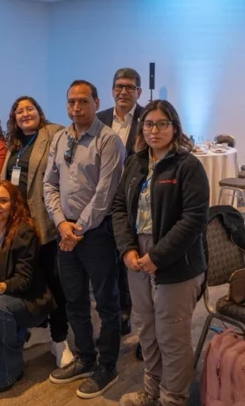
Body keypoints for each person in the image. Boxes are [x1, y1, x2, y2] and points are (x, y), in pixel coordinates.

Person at [111, 100, 208, 406]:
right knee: (147, 331)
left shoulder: (188, 166)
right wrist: (126, 248)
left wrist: (157, 257)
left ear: (175, 128)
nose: (154, 130)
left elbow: (194, 219)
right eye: (149, 124)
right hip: (136, 257)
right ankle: (151, 391)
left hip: (174, 260)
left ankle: (173, 398)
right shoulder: (135, 163)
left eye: (162, 124)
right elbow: (118, 208)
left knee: (173, 336)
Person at [43, 80, 126, 398]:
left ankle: (108, 366)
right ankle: (85, 358)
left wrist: (76, 231)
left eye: (83, 102)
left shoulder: (108, 141)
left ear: (96, 102)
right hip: (67, 232)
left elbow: (105, 194)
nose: (76, 108)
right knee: (74, 299)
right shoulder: (61, 137)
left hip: (96, 234)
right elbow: (49, 183)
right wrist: (61, 223)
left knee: (106, 303)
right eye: (71, 102)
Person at [1, 96, 72, 368]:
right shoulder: (15, 144)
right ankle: (38, 331)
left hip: (45, 224)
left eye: (29, 108)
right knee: (30, 281)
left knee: (55, 283)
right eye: (19, 111)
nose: (24, 114)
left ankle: (60, 339)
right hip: (18, 227)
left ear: (40, 112)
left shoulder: (53, 133)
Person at [0, 181, 55, 393]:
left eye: (3, 201)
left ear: (14, 204)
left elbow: (24, 280)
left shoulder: (24, 231)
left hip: (27, 300)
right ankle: (18, 334)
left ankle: (6, 373)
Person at [100, 67, 146, 347]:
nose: (124, 91)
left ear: (138, 92)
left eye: (130, 87)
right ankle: (117, 316)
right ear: (112, 90)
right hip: (104, 202)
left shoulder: (148, 119)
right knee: (110, 263)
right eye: (119, 86)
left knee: (133, 263)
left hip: (137, 201)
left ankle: (138, 324)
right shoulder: (101, 119)